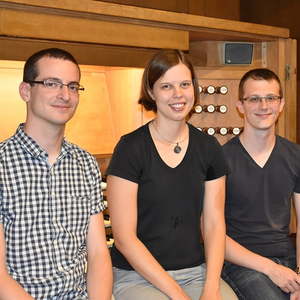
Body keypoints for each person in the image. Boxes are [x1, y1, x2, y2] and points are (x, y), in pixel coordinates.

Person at [106, 49, 237, 300]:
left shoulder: (208, 148)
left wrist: (211, 287)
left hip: (196, 273)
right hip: (137, 275)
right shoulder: (131, 148)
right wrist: (178, 295)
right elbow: (123, 238)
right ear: (152, 92)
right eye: (166, 86)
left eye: (185, 84)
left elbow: (213, 223)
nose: (178, 94)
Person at [0, 48, 112, 299]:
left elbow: (98, 255)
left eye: (73, 86)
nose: (65, 95)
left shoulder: (85, 163)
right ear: (26, 91)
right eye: (52, 84)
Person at [222, 68, 300, 300]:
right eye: (254, 99)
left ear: (281, 104)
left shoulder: (295, 155)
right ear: (240, 106)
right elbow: (211, 234)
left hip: (287, 259)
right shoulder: (220, 159)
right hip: (240, 263)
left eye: (271, 98)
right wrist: (271, 269)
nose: (264, 106)